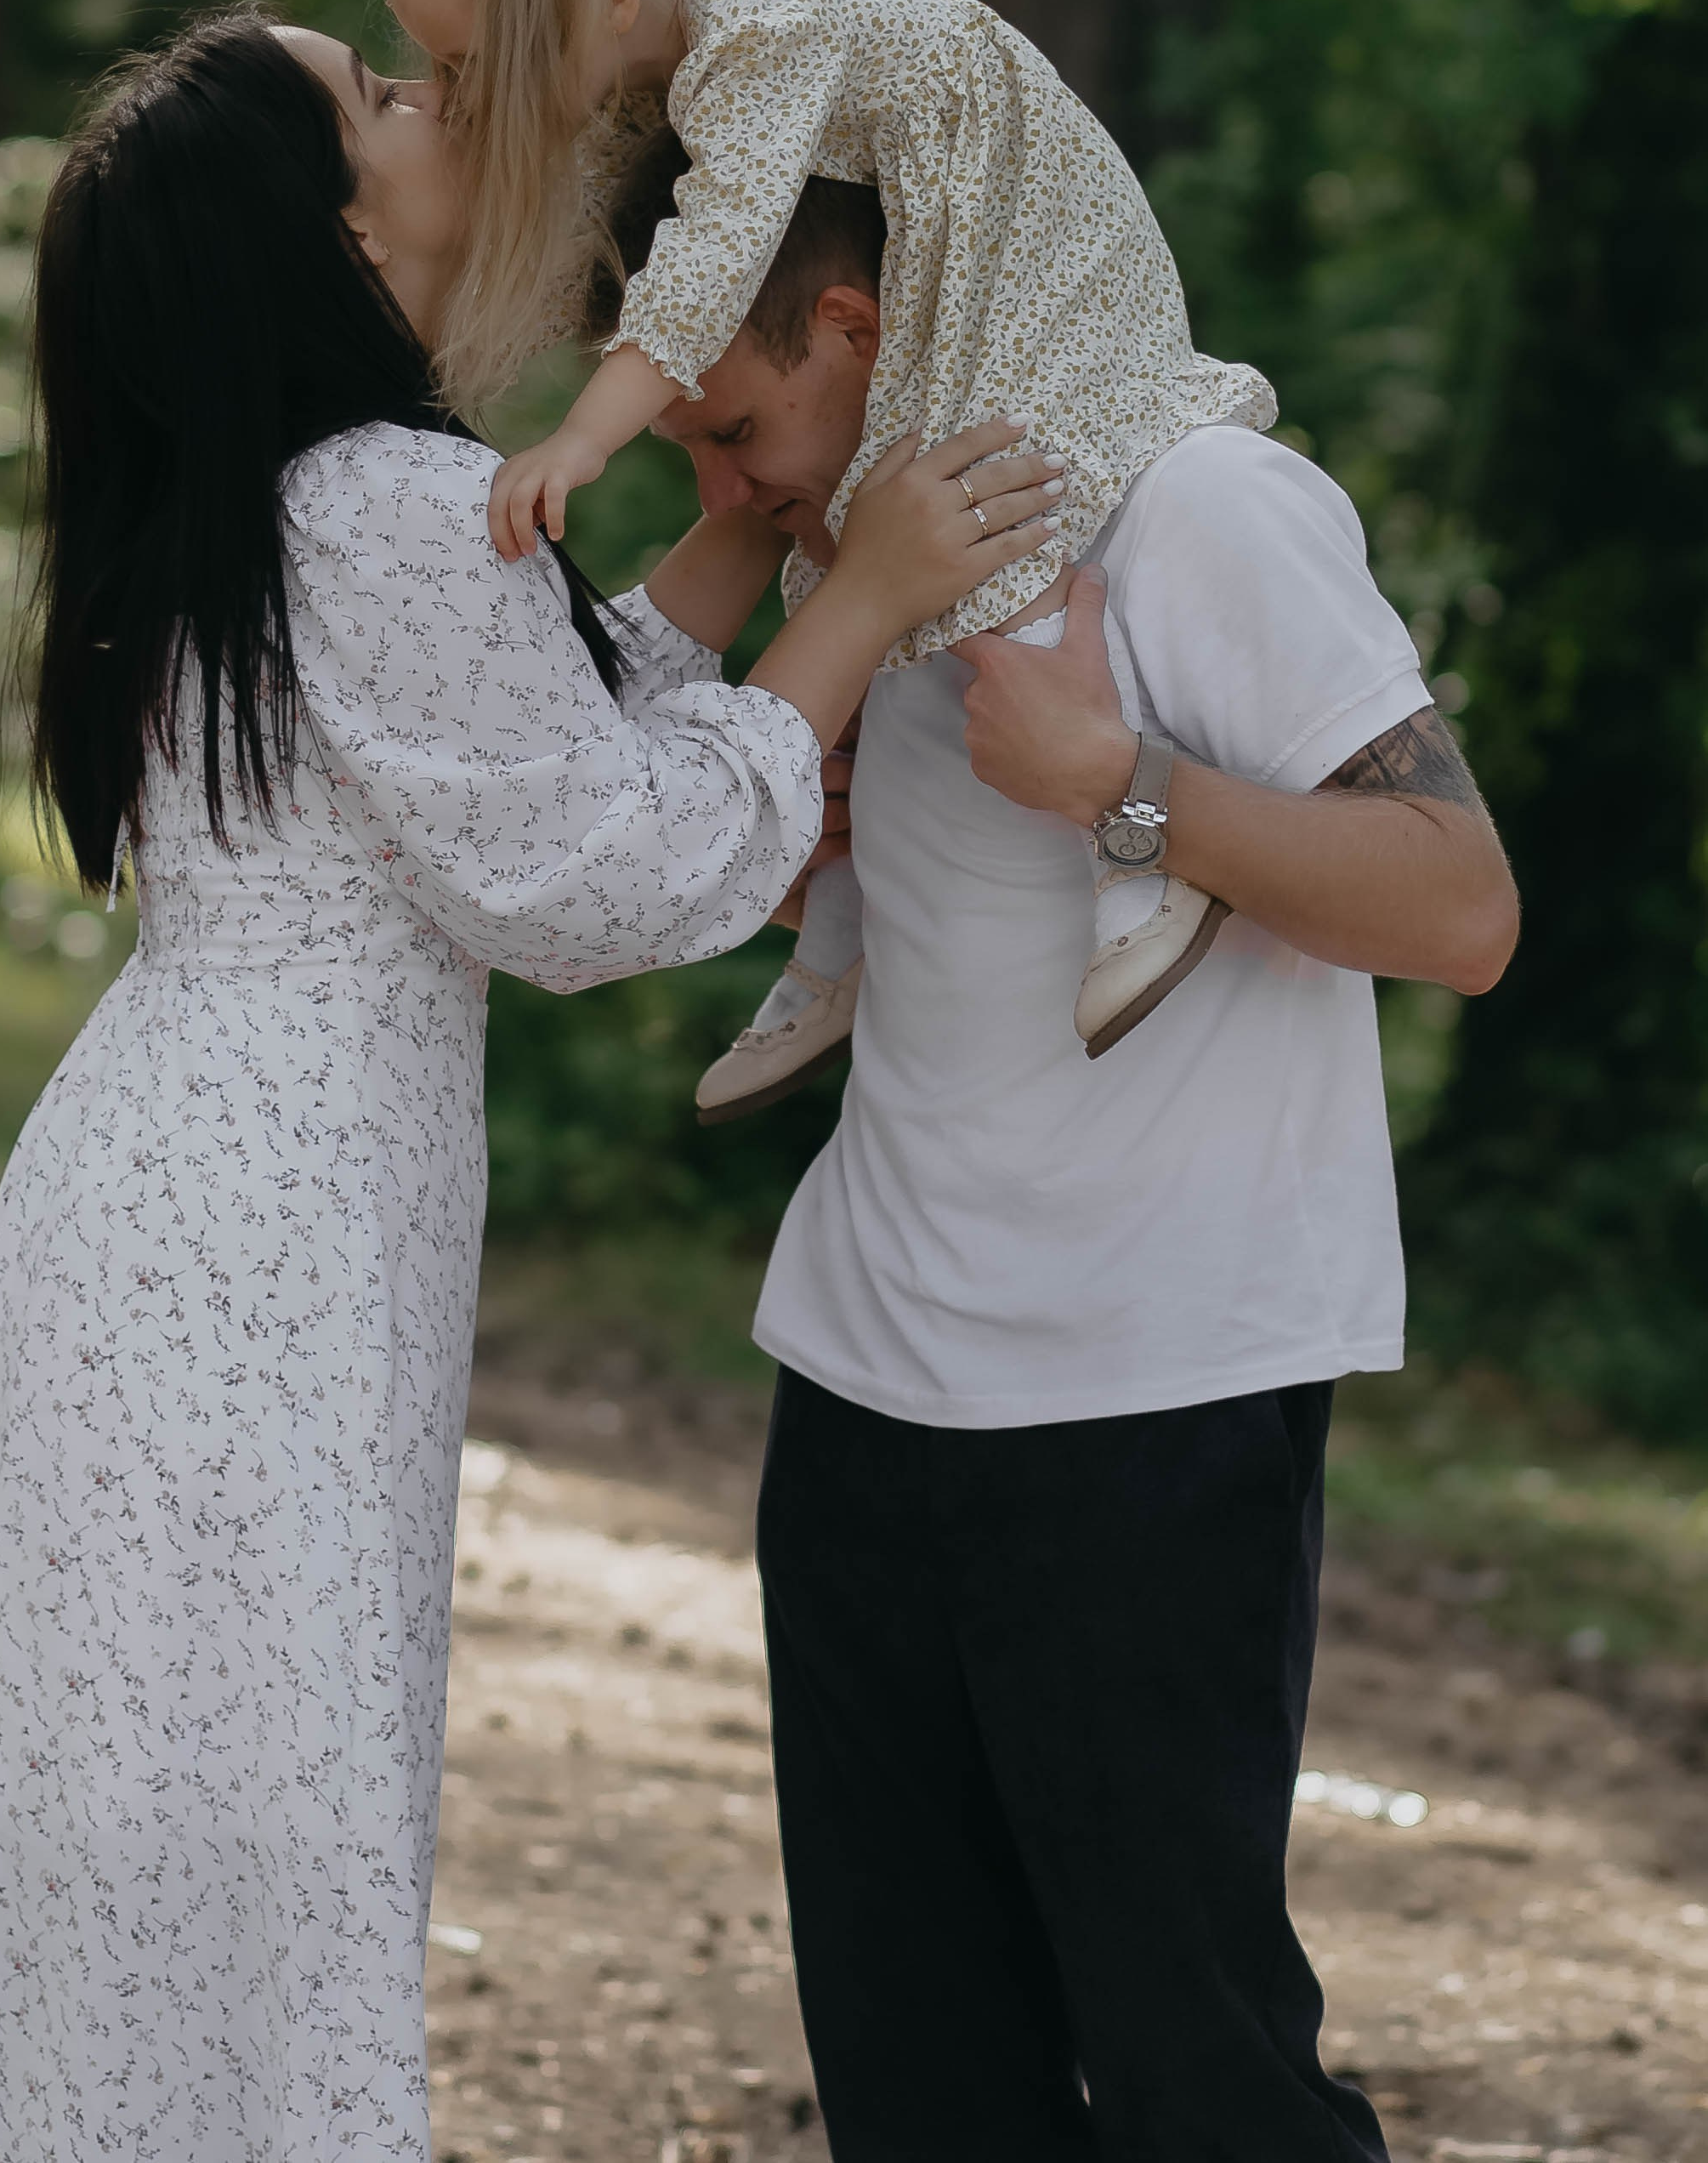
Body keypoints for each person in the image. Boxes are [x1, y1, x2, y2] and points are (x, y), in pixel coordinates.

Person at [0, 10, 1046, 2163]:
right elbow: (595, 871)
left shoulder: (307, 502)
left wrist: (740, 533)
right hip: (253, 1245)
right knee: (239, 1823)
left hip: (174, 1205)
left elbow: (507, 730)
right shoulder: (384, 500)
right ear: (338, 228)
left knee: (135, 1826)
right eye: (376, 90)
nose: (432, 93)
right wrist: (868, 605)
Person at [601, 139, 1521, 2161]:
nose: (730, 484)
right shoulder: (883, 564)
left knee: (1202, 2089)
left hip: (1146, 1401)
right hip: (855, 1397)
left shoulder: (1196, 505)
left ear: (849, 329)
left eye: (737, 427)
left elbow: (1459, 902)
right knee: (920, 2093)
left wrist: (1121, 791)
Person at [384, 0, 1276, 1101]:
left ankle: (1135, 863)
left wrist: (582, 438)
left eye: (471, 68)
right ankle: (846, 914)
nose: (458, 100)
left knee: (987, 509)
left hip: (1020, 222)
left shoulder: (758, 35)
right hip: (930, 239)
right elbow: (594, 236)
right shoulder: (658, 57)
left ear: (607, 8)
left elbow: (712, 258)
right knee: (844, 546)